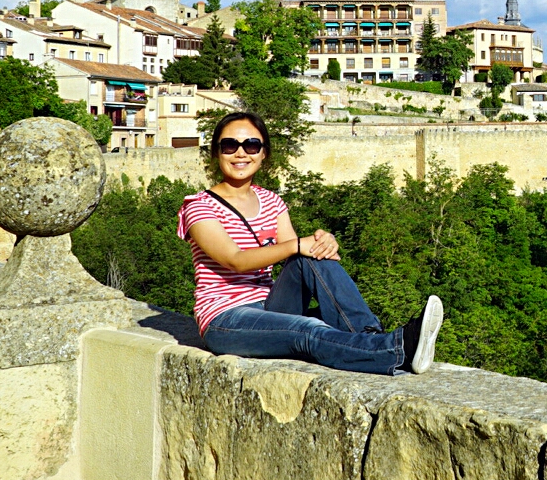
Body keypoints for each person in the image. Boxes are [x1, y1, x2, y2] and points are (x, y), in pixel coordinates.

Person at [177, 111, 441, 375]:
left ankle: (369, 335)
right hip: (226, 318)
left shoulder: (270, 201)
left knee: (313, 256)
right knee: (308, 330)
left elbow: (300, 255)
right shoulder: (200, 207)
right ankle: (397, 349)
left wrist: (322, 242)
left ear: (263, 153)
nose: (241, 153)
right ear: (216, 152)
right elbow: (235, 260)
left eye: (251, 145)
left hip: (271, 304)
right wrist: (298, 245)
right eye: (230, 145)